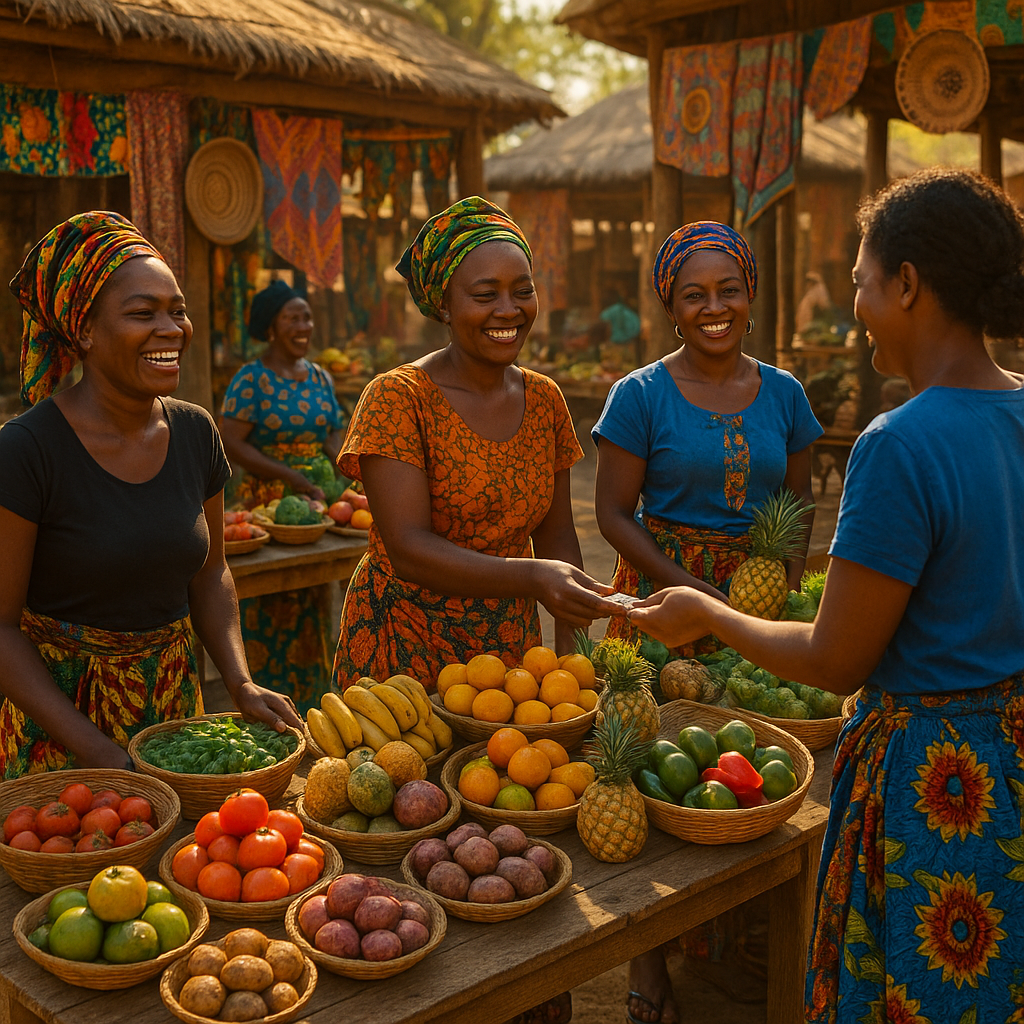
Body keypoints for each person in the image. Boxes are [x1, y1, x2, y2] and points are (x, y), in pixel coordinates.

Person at [627, 169, 1024, 1024]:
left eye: (860, 281)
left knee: (919, 986)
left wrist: (709, 613)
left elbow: (837, 658)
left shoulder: (899, 443)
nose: (853, 303)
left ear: (908, 284)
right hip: (1016, 757)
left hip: (931, 778)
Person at [591, 221, 820, 1024]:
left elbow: (799, 504)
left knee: (744, 776)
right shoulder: (640, 394)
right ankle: (647, 965)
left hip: (754, 611)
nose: (714, 306)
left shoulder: (787, 394)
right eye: (695, 294)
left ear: (751, 296)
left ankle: (739, 944)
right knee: (651, 777)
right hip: (659, 599)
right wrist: (687, 592)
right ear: (670, 307)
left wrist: (779, 586)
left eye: (728, 289)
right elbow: (612, 513)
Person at [0, 212, 301, 778]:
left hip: (174, 722)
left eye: (178, 310)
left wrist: (239, 681)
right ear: (84, 330)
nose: (172, 329)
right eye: (143, 313)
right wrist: (101, 753)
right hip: (60, 734)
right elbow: (0, 628)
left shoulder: (195, 433)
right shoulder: (26, 451)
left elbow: (210, 573)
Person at [332, 197, 618, 700]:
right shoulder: (398, 398)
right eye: (485, 294)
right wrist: (534, 577)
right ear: (443, 304)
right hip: (404, 644)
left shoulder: (545, 399)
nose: (508, 310)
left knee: (509, 772)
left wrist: (572, 661)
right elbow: (408, 549)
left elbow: (557, 536)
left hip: (510, 657)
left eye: (522, 291)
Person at [219, 280, 345, 713]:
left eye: (306, 316)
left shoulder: (321, 377)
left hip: (314, 503)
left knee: (312, 595)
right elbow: (232, 441)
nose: (303, 325)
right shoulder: (250, 379)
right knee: (268, 601)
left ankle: (311, 703)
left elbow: (333, 431)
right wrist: (289, 476)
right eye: (293, 317)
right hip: (267, 503)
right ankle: (261, 700)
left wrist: (347, 471)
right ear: (271, 327)